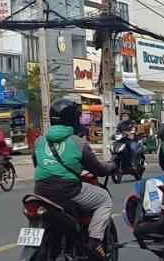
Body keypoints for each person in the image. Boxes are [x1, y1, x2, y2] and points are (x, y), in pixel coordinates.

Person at [32, 96, 118, 253]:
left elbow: (36, 164)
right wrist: (111, 165)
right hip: (68, 192)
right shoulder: (79, 144)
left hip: (40, 193)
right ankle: (94, 240)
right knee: (105, 199)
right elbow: (98, 169)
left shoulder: (39, 142)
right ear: (72, 119)